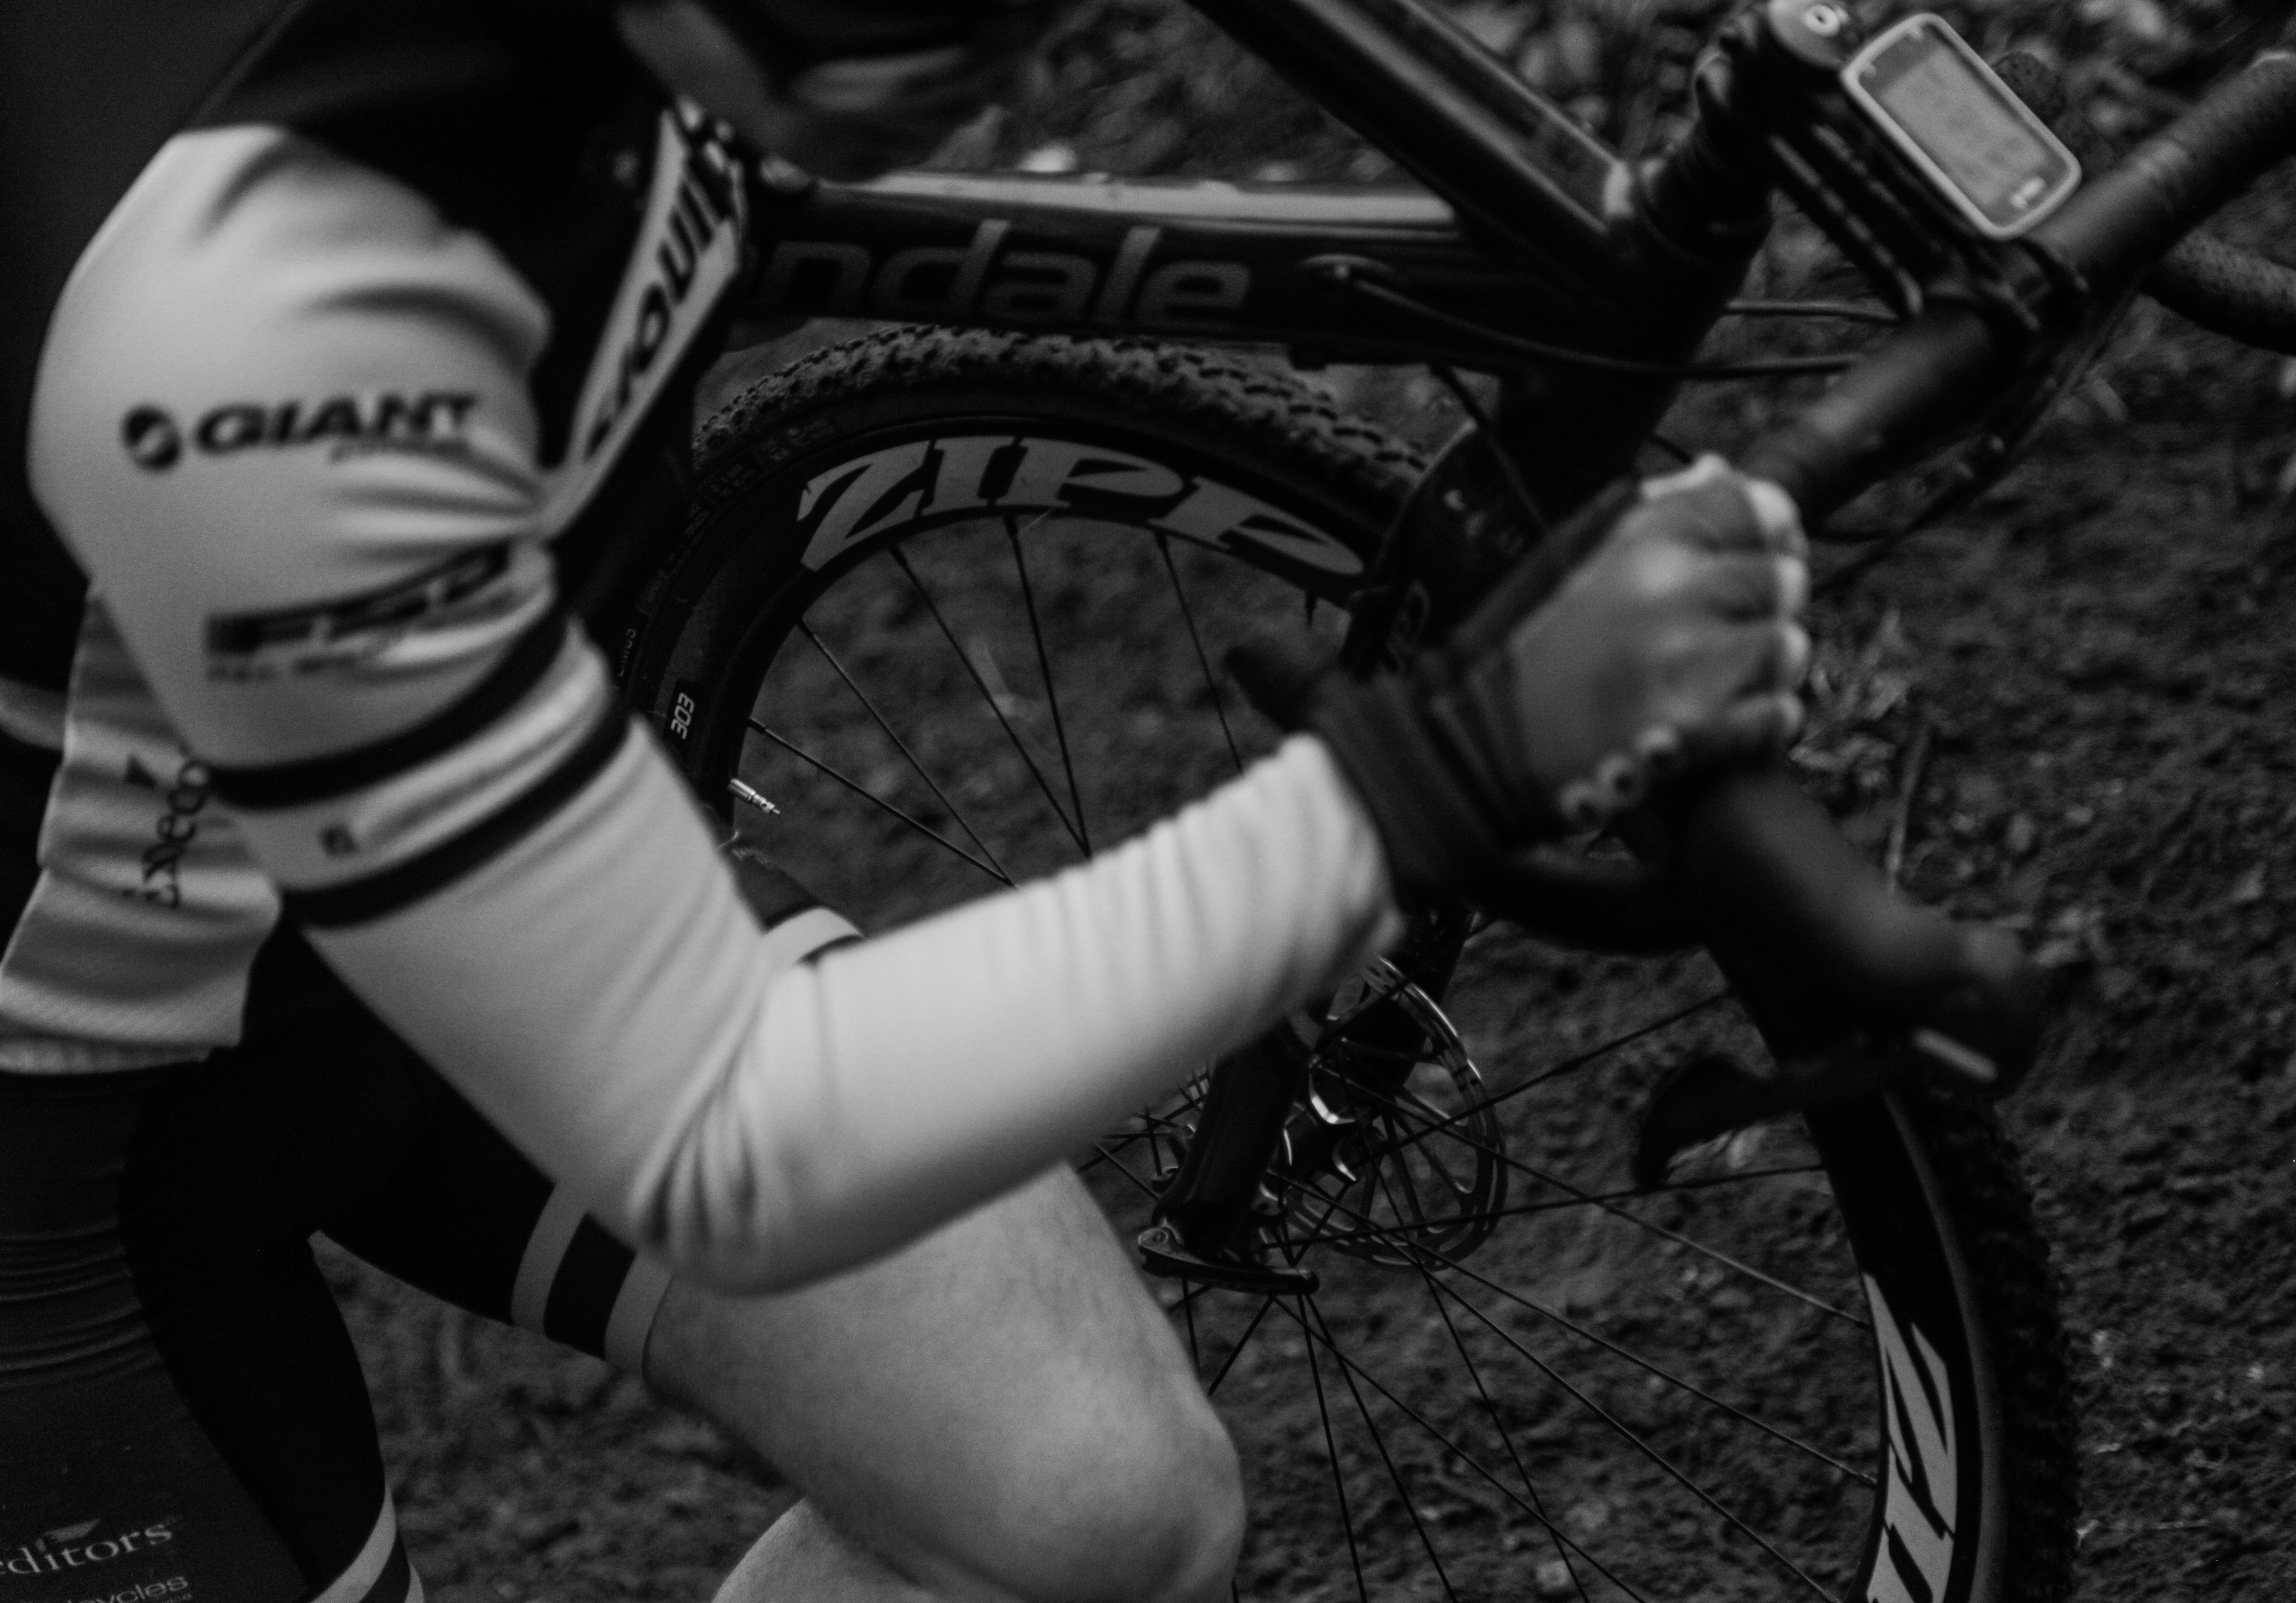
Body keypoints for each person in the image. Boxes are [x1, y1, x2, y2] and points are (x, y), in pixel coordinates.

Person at [0, 3, 1811, 1600]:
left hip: (430, 929)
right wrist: (1446, 767)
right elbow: (740, 1145)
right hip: (64, 1191)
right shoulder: (258, 307)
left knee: (1099, 1506)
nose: (952, 58)